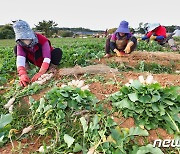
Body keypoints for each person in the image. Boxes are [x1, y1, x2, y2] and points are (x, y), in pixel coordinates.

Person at [13, 20, 63, 87]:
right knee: (16, 48)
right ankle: (27, 70)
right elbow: (20, 59)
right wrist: (22, 73)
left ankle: (51, 69)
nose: (26, 41)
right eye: (23, 39)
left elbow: (47, 58)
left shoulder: (42, 39)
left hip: (46, 59)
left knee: (57, 52)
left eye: (27, 38)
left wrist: (41, 72)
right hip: (34, 59)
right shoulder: (20, 44)